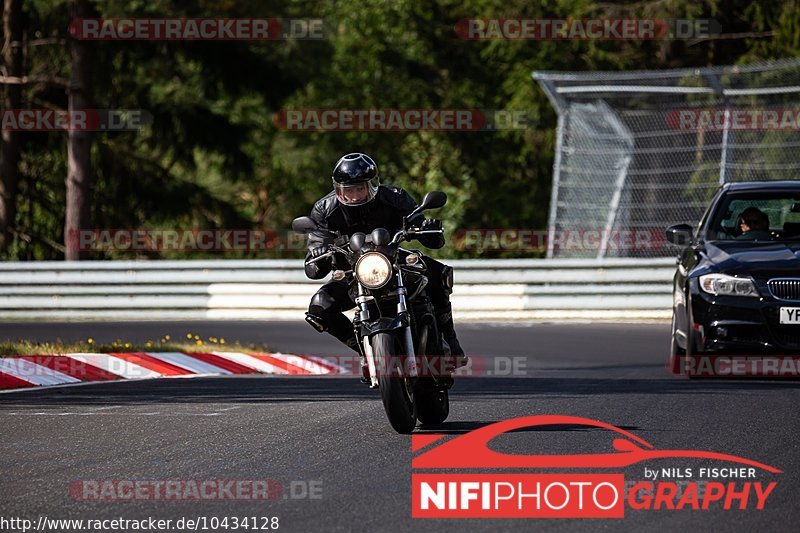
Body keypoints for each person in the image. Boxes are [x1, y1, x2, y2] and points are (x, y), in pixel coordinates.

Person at [301, 152, 465, 362]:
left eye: (360, 188)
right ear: (338, 190)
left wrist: (426, 228)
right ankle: (364, 351)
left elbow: (422, 228)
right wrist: (318, 254)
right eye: (348, 190)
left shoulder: (394, 196)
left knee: (438, 274)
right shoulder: (324, 210)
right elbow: (314, 264)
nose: (355, 195)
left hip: (394, 261)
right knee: (319, 307)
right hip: (353, 271)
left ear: (372, 184)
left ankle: (450, 339)